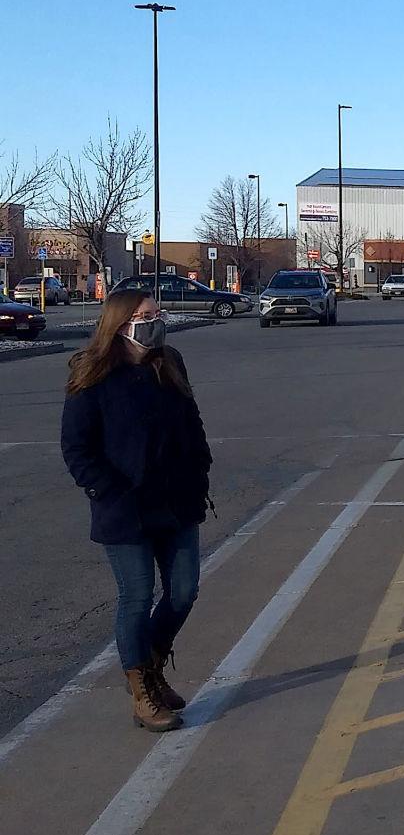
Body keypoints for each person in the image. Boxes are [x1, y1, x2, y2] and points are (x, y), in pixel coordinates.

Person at [60, 290, 213, 733]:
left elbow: (192, 420)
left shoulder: (170, 363)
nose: (154, 321)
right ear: (120, 322)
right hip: (126, 509)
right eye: (145, 316)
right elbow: (76, 448)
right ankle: (142, 690)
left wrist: (199, 468)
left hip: (177, 502)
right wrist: (108, 490)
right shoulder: (93, 373)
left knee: (184, 590)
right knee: (136, 595)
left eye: (158, 313)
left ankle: (150, 663)